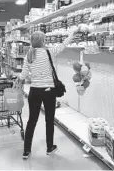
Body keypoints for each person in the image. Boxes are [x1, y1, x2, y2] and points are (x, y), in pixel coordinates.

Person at [19, 27, 79, 159]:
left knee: (32, 120)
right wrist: (72, 34)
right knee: (49, 120)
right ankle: (49, 147)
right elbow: (63, 45)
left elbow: (23, 75)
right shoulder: (49, 52)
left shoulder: (28, 55)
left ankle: (26, 151)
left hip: (34, 91)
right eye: (44, 39)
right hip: (48, 91)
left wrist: (17, 82)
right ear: (42, 41)